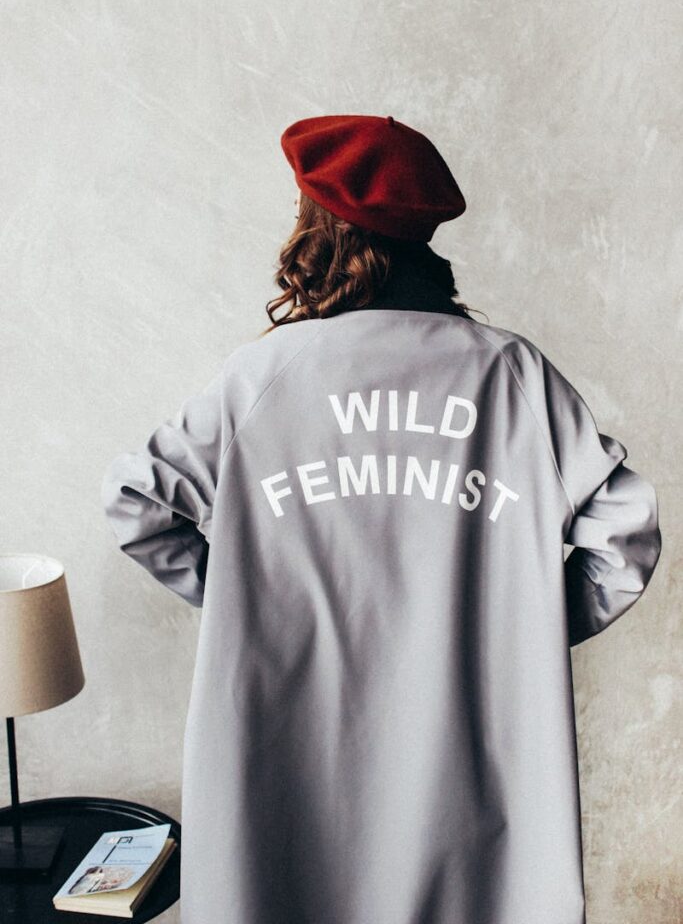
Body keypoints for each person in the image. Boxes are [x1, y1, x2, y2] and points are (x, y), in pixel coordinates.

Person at [100, 114, 662, 924]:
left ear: (316, 231)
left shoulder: (265, 376)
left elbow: (137, 503)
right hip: (466, 757)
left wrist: (247, 603)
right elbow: (625, 533)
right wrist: (517, 625)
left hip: (293, 747)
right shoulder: (507, 374)